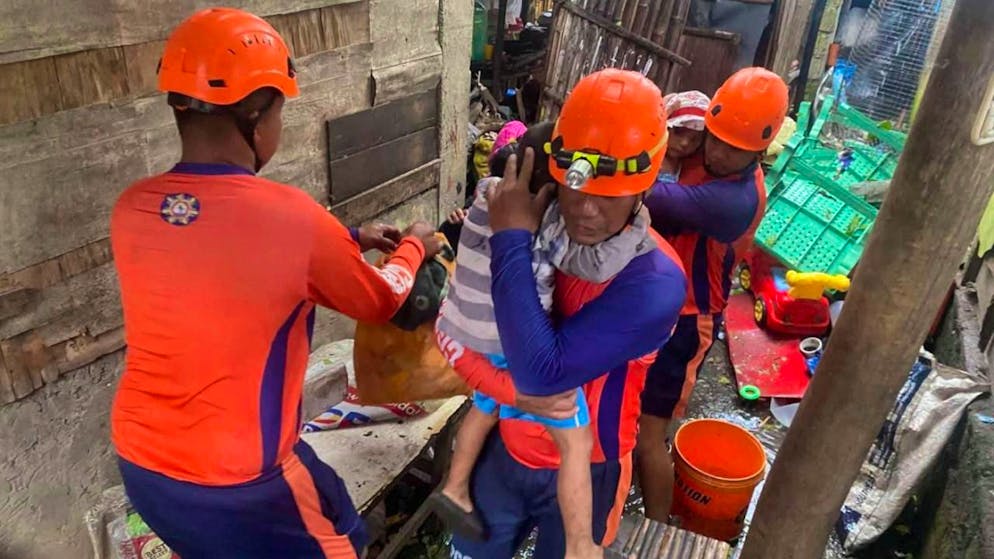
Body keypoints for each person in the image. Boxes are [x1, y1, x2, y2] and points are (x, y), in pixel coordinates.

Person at [109, 9, 440, 559]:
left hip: (143, 468)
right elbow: (382, 299)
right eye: (282, 112)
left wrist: (350, 236)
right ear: (257, 116)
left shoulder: (133, 209)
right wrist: (414, 245)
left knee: (330, 496)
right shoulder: (293, 218)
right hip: (238, 483)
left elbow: (222, 250)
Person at [436, 68, 687, 558]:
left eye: (610, 193)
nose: (586, 210)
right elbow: (453, 327)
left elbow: (541, 374)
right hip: (507, 448)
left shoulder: (653, 282)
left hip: (589, 466)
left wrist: (510, 235)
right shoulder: (539, 231)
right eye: (577, 186)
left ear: (644, 185)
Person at [636, 67, 789, 522]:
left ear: (760, 150)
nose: (717, 152)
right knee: (624, 408)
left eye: (733, 149)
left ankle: (658, 529)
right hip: (650, 301)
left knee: (650, 435)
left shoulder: (734, 200)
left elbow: (652, 199)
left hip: (688, 319)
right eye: (714, 138)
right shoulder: (710, 143)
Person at [658, 91, 711, 182]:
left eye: (695, 139)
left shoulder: (692, 168)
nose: (684, 143)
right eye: (679, 132)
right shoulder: (646, 156)